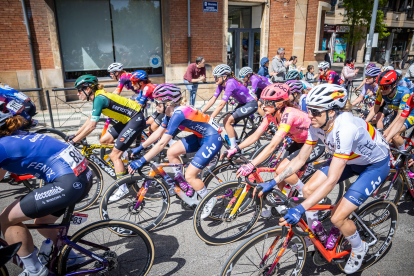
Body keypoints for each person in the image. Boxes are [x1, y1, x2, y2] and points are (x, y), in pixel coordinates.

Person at [255, 83, 390, 274]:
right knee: (308, 190)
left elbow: (331, 181)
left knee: (337, 217)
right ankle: (317, 234)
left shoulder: (346, 128)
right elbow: (301, 158)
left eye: (316, 112)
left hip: (374, 165)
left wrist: (301, 208)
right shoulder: (317, 123)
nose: (309, 115)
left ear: (333, 112)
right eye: (309, 110)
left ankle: (360, 247)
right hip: (350, 159)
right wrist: (273, 181)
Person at [0, 115, 93, 276]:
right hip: (81, 175)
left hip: (69, 182)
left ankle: (34, 270)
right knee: (43, 223)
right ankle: (71, 257)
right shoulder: (17, 136)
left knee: (7, 219)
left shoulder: (2, 146)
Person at [221, 83, 318, 218]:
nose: (262, 105)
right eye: (262, 101)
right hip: (298, 142)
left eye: (267, 102)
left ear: (279, 104)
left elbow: (272, 146)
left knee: (282, 171)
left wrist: (251, 164)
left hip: (313, 142)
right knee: (279, 176)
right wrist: (235, 148)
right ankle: (281, 207)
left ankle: (307, 195)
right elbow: (255, 136)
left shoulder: (288, 115)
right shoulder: (270, 115)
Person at [128, 84, 222, 217]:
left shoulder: (178, 114)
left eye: (157, 102)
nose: (155, 105)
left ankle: (208, 200)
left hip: (212, 138)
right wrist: (139, 147)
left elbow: (161, 143)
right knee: (171, 152)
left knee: (190, 175)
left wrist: (143, 160)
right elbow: (157, 134)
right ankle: (183, 184)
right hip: (200, 137)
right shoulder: (169, 113)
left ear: (168, 103)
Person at [68, 75, 145, 201]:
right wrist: (76, 135)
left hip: (135, 119)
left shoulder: (99, 98)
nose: (77, 94)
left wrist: (73, 142)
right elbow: (89, 120)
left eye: (79, 90)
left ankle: (123, 187)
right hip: (127, 120)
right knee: (104, 140)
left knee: (115, 155)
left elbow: (92, 126)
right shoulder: (97, 97)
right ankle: (124, 155)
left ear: (88, 89)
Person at [202, 64, 258, 149]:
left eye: (216, 77)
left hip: (251, 103)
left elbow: (221, 104)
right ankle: (237, 143)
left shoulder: (230, 83)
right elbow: (212, 100)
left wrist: (211, 119)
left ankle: (234, 148)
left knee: (228, 121)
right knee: (226, 122)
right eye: (214, 77)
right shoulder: (221, 84)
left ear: (224, 77)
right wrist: (201, 112)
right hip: (243, 103)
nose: (215, 79)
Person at [365, 70, 411, 149]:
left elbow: (400, 116)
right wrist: (364, 123)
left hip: (409, 115)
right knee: (389, 141)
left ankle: (404, 156)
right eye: (380, 86)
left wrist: (388, 130)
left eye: (385, 87)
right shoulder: (381, 92)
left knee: (394, 136)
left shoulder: (404, 93)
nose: (382, 90)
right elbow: (375, 108)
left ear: (394, 85)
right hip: (397, 114)